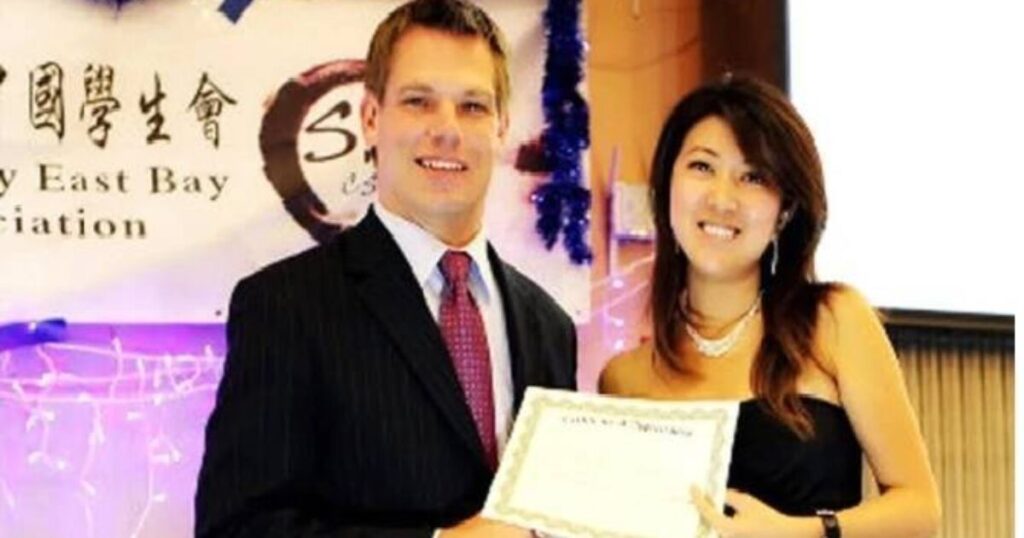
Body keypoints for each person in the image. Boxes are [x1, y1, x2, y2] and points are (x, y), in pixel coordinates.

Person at [194, 1, 577, 536]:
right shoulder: (285, 306)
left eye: (473, 106)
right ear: (371, 119)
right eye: (419, 102)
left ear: (501, 127)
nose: (447, 130)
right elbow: (238, 528)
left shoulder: (551, 326)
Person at [599, 74, 940, 537]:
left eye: (753, 177)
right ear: (667, 187)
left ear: (785, 211)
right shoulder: (623, 379)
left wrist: (802, 532)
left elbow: (920, 511)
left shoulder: (833, 321)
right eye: (702, 166)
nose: (722, 198)